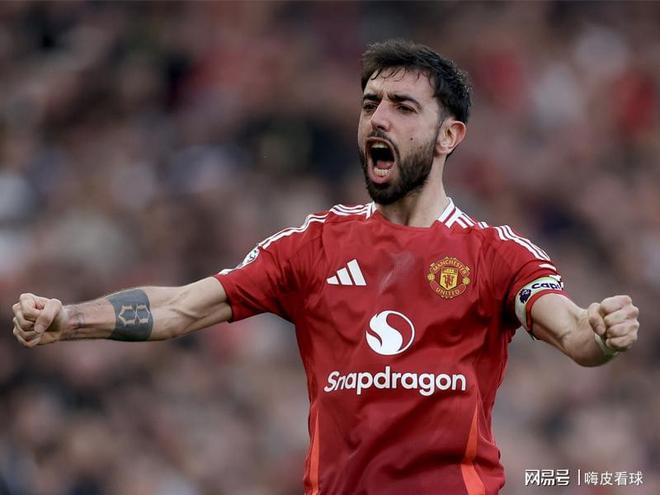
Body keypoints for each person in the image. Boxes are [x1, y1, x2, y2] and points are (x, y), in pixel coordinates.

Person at [11, 40, 639, 495]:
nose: (378, 118)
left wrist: (602, 334)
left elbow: (574, 334)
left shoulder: (495, 253)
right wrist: (71, 319)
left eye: (403, 107)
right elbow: (179, 307)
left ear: (449, 137)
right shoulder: (311, 247)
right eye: (370, 104)